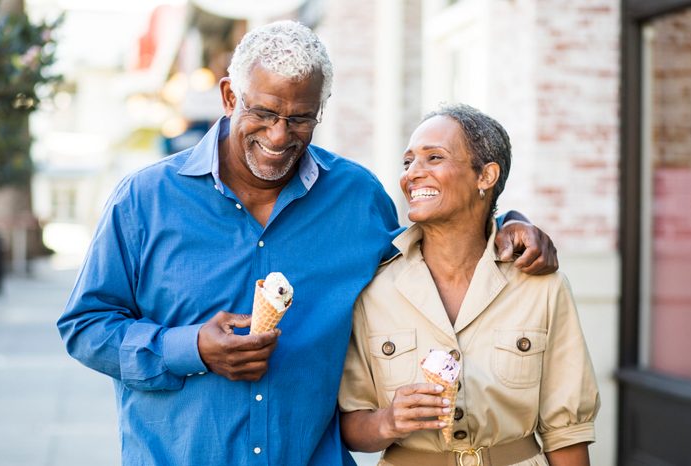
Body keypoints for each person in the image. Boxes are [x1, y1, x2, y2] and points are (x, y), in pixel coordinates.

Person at [57, 21, 558, 466]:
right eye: (265, 112)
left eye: (300, 118)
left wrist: (505, 221)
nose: (279, 136)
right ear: (230, 97)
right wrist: (190, 348)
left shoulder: (356, 198)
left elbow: (435, 253)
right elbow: (84, 326)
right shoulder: (146, 200)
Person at [338, 103, 600, 466]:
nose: (413, 173)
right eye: (408, 161)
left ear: (486, 176)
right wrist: (389, 421)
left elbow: (566, 434)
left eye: (434, 158)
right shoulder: (374, 289)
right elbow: (350, 424)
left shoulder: (542, 287)